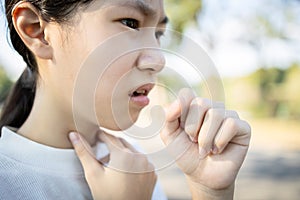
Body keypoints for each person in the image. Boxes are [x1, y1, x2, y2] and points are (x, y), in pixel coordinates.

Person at [0, 0, 251, 199]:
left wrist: (209, 191)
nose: (158, 59)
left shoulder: (134, 166)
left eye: (158, 33)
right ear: (36, 30)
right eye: (130, 22)